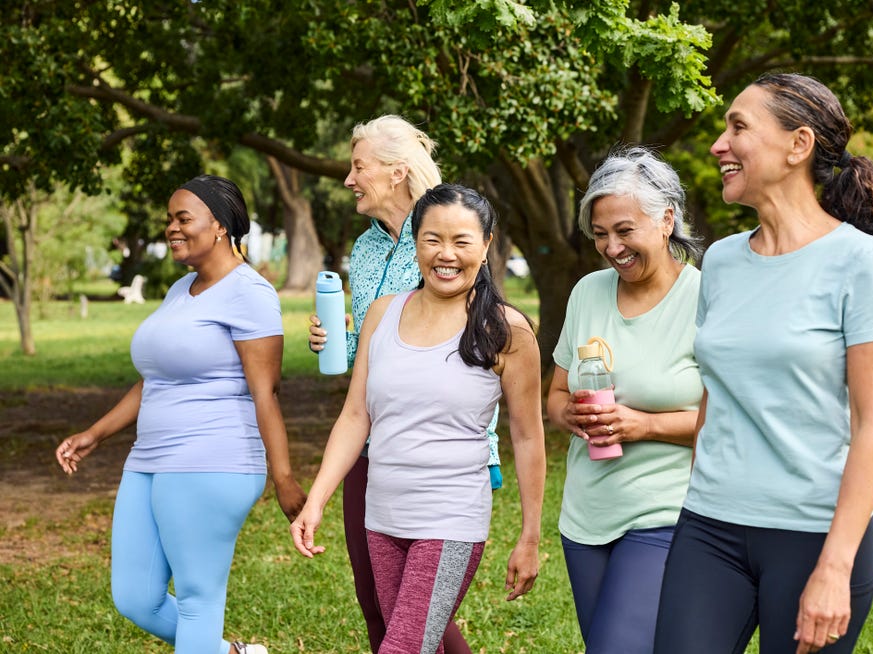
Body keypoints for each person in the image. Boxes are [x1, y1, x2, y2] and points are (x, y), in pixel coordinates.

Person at [654, 73, 873, 654]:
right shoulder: (721, 261)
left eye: (738, 127)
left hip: (814, 535)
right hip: (710, 525)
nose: (719, 144)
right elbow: (713, 392)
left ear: (798, 145)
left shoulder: (865, 264)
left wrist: (834, 567)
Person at [54, 174, 307, 654]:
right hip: (149, 459)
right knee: (135, 598)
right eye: (169, 218)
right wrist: (96, 433)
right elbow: (155, 379)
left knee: (196, 600)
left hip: (213, 459)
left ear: (219, 226)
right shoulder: (182, 289)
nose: (171, 227)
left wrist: (284, 476)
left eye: (182, 218)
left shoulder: (249, 293)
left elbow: (266, 392)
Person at [292, 184, 546, 654]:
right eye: (432, 240)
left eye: (462, 241)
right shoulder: (383, 315)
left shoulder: (505, 330)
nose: (445, 254)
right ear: (415, 242)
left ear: (487, 245)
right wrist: (316, 501)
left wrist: (530, 536)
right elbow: (354, 417)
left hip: (450, 520)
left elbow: (528, 437)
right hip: (382, 517)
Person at [307, 115, 500, 653]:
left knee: (415, 617)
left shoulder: (448, 236)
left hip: (444, 452)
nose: (349, 179)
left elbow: (483, 341)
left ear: (395, 172)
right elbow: (370, 353)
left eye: (358, 166)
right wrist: (336, 343)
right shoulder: (366, 249)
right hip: (371, 445)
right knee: (381, 606)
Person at [546, 146, 704, 653]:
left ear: (666, 220)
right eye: (599, 234)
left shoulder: (707, 297)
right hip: (586, 516)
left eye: (624, 230)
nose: (612, 247)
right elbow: (553, 396)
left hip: (665, 511)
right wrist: (568, 413)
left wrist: (644, 425)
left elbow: (732, 418)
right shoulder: (587, 292)